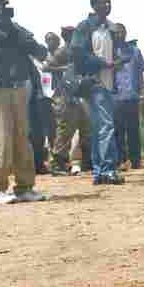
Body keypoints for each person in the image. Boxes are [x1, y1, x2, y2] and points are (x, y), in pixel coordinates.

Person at [0, 0, 48, 204]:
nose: (2, 9)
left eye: (4, 5)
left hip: (18, 87)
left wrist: (13, 28)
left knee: (23, 138)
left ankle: (25, 187)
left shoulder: (13, 28)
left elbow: (39, 50)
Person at [70, 0, 126, 185]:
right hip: (95, 83)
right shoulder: (85, 27)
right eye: (103, 2)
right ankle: (107, 169)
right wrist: (103, 63)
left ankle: (100, 171)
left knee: (100, 127)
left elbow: (117, 52)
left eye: (109, 2)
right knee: (106, 126)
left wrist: (118, 60)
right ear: (94, 6)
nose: (107, 5)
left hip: (109, 84)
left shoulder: (110, 28)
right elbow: (77, 53)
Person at [49, 26, 92, 176]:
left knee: (86, 126)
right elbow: (46, 66)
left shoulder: (79, 50)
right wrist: (65, 68)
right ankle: (57, 164)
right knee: (65, 130)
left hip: (79, 94)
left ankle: (87, 162)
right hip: (64, 95)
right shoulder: (62, 51)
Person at [113, 23, 144, 170]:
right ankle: (121, 159)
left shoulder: (135, 51)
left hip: (132, 96)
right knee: (118, 130)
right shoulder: (110, 53)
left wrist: (142, 93)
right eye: (116, 32)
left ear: (126, 33)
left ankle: (136, 160)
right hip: (115, 97)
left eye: (122, 32)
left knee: (133, 129)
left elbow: (140, 73)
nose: (119, 34)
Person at [28, 33, 59, 174]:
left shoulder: (49, 61)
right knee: (36, 134)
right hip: (36, 100)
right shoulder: (30, 62)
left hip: (50, 98)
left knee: (52, 131)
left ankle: (54, 162)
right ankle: (38, 163)